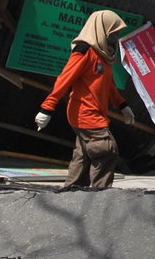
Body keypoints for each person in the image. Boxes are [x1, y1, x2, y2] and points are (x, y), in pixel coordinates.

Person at [34, 10, 136, 189]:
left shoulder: (103, 55)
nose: (116, 37)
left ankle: (72, 190)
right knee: (106, 150)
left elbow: (109, 85)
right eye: (113, 32)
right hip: (85, 113)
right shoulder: (84, 50)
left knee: (83, 155)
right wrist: (47, 108)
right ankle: (99, 194)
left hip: (94, 112)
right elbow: (65, 78)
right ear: (103, 30)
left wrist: (122, 105)